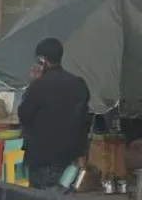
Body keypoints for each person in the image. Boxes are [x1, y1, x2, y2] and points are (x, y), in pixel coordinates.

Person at [17, 37, 90, 191]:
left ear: (42, 60)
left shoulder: (39, 86)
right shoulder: (79, 84)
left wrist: (32, 84)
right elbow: (85, 121)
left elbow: (24, 115)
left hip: (43, 159)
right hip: (70, 159)